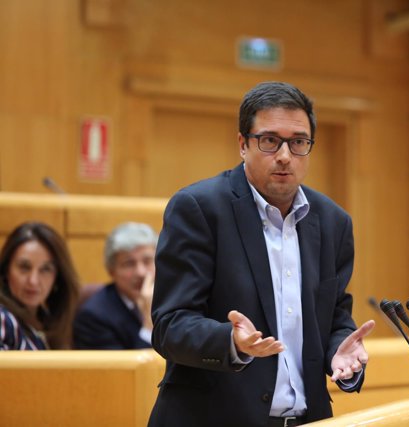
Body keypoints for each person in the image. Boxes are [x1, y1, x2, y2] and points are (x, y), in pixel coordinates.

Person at [148, 81, 376, 427]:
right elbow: (170, 325)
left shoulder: (333, 222)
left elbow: (333, 318)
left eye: (298, 142)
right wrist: (232, 342)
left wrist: (341, 351)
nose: (285, 155)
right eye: (269, 141)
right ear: (243, 144)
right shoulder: (199, 208)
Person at [73, 222, 157, 349]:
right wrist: (148, 324)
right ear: (111, 271)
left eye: (147, 261)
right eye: (129, 264)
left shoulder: (174, 299)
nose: (141, 272)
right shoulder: (94, 318)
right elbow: (123, 369)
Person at [0, 221, 80, 350]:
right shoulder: (3, 319)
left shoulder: (47, 322)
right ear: (5, 270)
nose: (33, 281)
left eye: (45, 269)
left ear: (58, 278)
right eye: (24, 267)